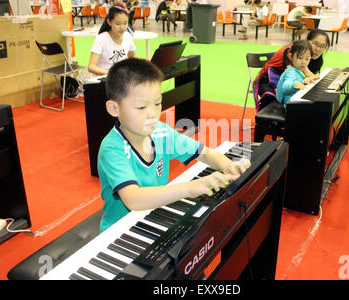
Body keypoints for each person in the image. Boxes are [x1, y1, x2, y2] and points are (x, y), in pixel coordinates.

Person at [98, 58, 251, 232]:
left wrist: (229, 166)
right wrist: (190, 187)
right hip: (118, 231)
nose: (153, 114)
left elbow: (204, 153)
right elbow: (133, 198)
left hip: (154, 216)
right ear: (114, 108)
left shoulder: (161, 132)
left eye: (157, 103)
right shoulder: (112, 148)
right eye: (141, 107)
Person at [253, 29, 330, 111]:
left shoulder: (313, 58)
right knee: (273, 98)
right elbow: (290, 82)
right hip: (268, 80)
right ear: (307, 41)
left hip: (286, 82)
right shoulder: (291, 52)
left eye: (322, 46)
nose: (318, 49)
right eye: (315, 44)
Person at [88, 4, 137, 76]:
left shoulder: (127, 36)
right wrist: (112, 74)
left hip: (122, 78)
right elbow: (91, 67)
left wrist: (144, 62)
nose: (122, 27)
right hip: (105, 80)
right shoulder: (101, 39)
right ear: (109, 22)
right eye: (118, 24)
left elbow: (132, 56)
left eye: (125, 23)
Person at [275, 40, 315, 108]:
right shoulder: (290, 71)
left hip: (298, 101)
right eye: (300, 58)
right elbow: (286, 87)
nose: (303, 62)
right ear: (291, 57)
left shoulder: (301, 70)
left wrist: (308, 80)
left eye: (307, 59)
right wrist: (293, 84)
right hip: (291, 105)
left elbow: (301, 84)